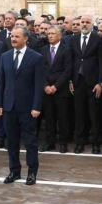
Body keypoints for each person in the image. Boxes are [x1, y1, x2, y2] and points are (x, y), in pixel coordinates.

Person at [0, 26, 44, 186]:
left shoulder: (36, 57)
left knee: (30, 141)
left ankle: (32, 172)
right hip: (9, 107)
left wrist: (36, 106)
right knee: (12, 141)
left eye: (17, 37)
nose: (13, 39)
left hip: (28, 108)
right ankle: (14, 171)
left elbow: (38, 85)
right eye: (12, 36)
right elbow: (1, 83)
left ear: (25, 39)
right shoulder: (5, 57)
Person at [69, 15, 102, 154]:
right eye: (82, 22)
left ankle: (95, 142)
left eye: (87, 22)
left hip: (93, 82)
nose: (84, 24)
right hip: (78, 81)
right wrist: (71, 80)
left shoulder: (98, 39)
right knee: (79, 114)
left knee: (94, 114)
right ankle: (80, 142)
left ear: (91, 25)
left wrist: (100, 82)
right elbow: (71, 61)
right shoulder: (73, 39)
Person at [40, 25, 72, 153]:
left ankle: (63, 142)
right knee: (49, 117)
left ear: (60, 35)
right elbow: (41, 70)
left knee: (63, 117)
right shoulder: (43, 50)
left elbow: (68, 70)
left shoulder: (66, 49)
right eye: (49, 34)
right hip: (47, 89)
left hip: (61, 89)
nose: (50, 36)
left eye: (53, 33)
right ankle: (50, 142)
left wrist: (55, 86)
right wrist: (46, 86)